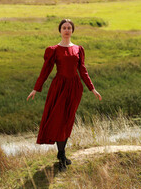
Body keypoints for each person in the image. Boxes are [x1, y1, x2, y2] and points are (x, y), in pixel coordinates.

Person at [27, 18, 102, 171]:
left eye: (69, 27)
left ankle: (62, 155)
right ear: (60, 31)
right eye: (64, 28)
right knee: (58, 121)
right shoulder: (53, 50)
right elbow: (45, 70)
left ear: (72, 30)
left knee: (68, 121)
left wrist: (92, 88)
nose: (67, 30)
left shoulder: (78, 49)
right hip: (59, 87)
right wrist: (36, 88)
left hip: (75, 88)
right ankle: (61, 157)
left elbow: (82, 70)